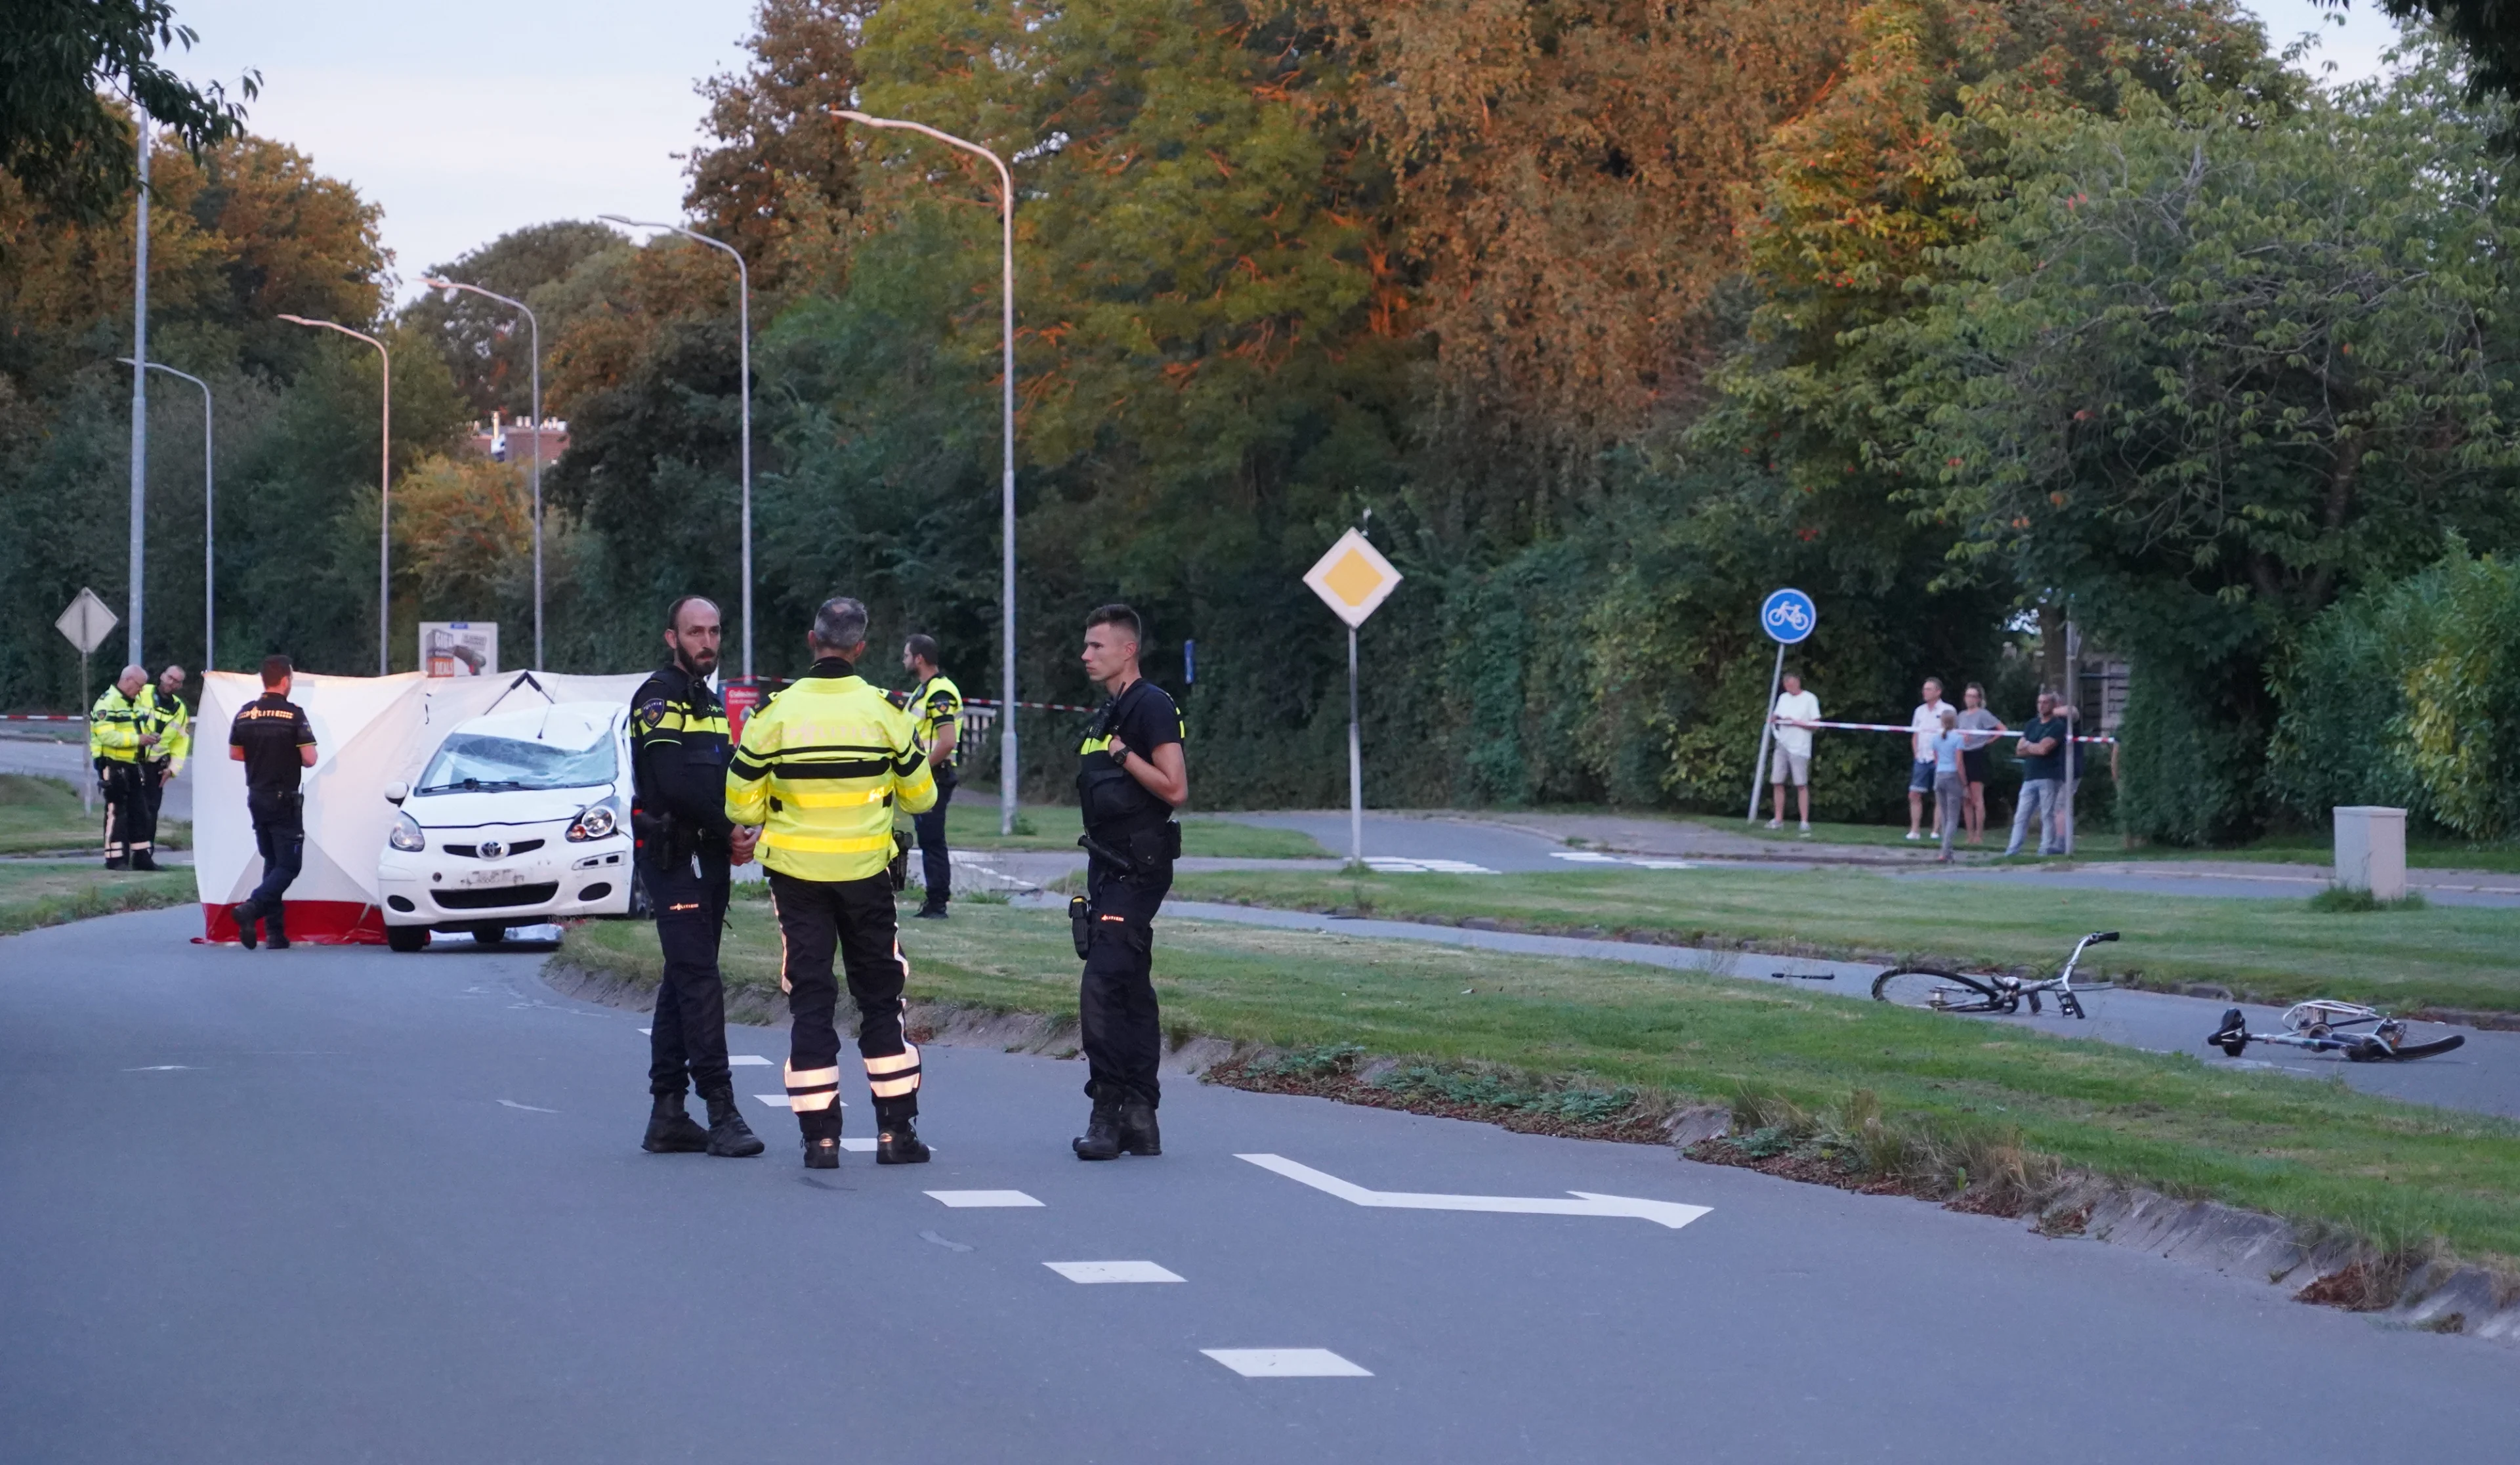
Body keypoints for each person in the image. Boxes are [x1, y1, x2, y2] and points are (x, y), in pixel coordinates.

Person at [726, 596, 937, 1170]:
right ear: (861, 648)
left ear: (811, 640)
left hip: (796, 880)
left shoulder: (774, 715)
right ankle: (897, 1134)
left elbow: (738, 797)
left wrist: (771, 810)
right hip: (868, 877)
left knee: (812, 1003)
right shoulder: (886, 712)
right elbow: (923, 796)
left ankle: (820, 1140)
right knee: (880, 1000)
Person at [629, 595, 765, 1160]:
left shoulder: (708, 702)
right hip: (672, 856)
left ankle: (668, 1113)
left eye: (713, 632)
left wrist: (740, 825)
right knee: (700, 978)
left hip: (706, 855)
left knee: (684, 978)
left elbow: (721, 777)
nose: (706, 642)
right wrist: (729, 829)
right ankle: (720, 1106)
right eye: (694, 632)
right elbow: (674, 784)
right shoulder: (656, 696)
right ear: (671, 637)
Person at [1070, 605, 1188, 1162]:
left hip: (1137, 868)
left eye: (1096, 646)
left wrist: (1123, 753)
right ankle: (1142, 1118)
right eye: (1087, 646)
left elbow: (1174, 787)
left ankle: (1107, 1111)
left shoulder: (1151, 706)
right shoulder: (1108, 711)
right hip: (1107, 865)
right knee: (1131, 986)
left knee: (1102, 982)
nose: (1086, 655)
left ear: (1127, 650)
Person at [226, 655, 317, 948]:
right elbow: (310, 758)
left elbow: (236, 754)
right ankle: (251, 909)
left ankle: (275, 934)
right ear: (286, 680)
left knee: (272, 861)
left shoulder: (244, 714)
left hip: (256, 796)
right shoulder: (294, 715)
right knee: (289, 866)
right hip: (284, 800)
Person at [900, 633, 963, 920]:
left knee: (932, 840)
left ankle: (938, 902)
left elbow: (947, 741)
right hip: (929, 775)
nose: (904, 660)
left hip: (935, 775)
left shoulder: (939, 694)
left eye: (906, 655)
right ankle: (934, 900)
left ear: (919, 658)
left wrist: (920, 769)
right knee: (928, 838)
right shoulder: (924, 691)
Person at [89, 664, 161, 870]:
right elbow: (107, 735)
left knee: (140, 811)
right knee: (116, 811)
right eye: (139, 686)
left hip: (132, 763)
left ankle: (141, 858)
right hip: (112, 762)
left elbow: (136, 727)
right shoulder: (108, 702)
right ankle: (115, 859)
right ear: (128, 680)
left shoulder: (132, 703)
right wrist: (138, 739)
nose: (141, 690)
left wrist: (149, 737)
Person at [2004, 690, 2069, 857]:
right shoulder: (2031, 724)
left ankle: (2045, 849)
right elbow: (2019, 749)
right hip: (2030, 776)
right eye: (2039, 702)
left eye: (2045, 702)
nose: (2041, 706)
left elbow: (2044, 749)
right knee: (2021, 816)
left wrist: (2029, 746)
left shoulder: (2057, 726)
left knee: (2047, 815)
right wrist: (2033, 747)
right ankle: (2012, 851)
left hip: (2048, 776)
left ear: (2054, 705)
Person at [140, 664, 192, 856]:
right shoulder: (142, 693)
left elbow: (181, 744)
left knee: (151, 811)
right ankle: (126, 854)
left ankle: (146, 854)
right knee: (130, 809)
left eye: (177, 681)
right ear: (162, 676)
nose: (172, 683)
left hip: (156, 768)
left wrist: (172, 770)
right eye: (170, 678)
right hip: (132, 761)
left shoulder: (180, 709)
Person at [1767, 669, 1819, 834]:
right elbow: (1776, 715)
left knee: (1801, 784)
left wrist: (1796, 723)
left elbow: (1816, 725)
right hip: (1782, 744)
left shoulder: (1810, 699)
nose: (1788, 688)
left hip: (1800, 747)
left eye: (1790, 685)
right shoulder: (1783, 698)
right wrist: (1775, 719)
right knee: (1777, 781)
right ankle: (1778, 819)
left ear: (1797, 682)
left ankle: (1804, 821)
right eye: (1785, 685)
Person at [1956, 682, 2006, 846]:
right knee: (1966, 798)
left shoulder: (1983, 714)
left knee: (1977, 798)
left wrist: (1987, 742)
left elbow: (2002, 729)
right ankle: (1969, 835)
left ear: (1978, 699)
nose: (1969, 699)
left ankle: (1979, 835)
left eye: (1972, 696)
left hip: (1977, 755)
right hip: (1963, 754)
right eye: (1967, 695)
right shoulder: (1961, 715)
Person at [1904, 677, 1955, 840]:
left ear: (1938, 692)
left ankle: (1935, 831)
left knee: (1939, 795)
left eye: (1929, 689)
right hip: (1921, 758)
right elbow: (1915, 734)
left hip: (1940, 760)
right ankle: (1914, 831)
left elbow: (1951, 735)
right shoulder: (1919, 711)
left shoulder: (1948, 710)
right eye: (1924, 689)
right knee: (1914, 794)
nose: (1924, 692)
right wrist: (1916, 753)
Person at [1928, 707, 1968, 861]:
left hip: (1939, 776)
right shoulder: (1958, 738)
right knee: (1953, 817)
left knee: (1944, 816)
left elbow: (1936, 759)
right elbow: (1959, 763)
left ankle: (1948, 851)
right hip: (1952, 776)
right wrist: (1964, 783)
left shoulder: (1936, 739)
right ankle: (1945, 851)